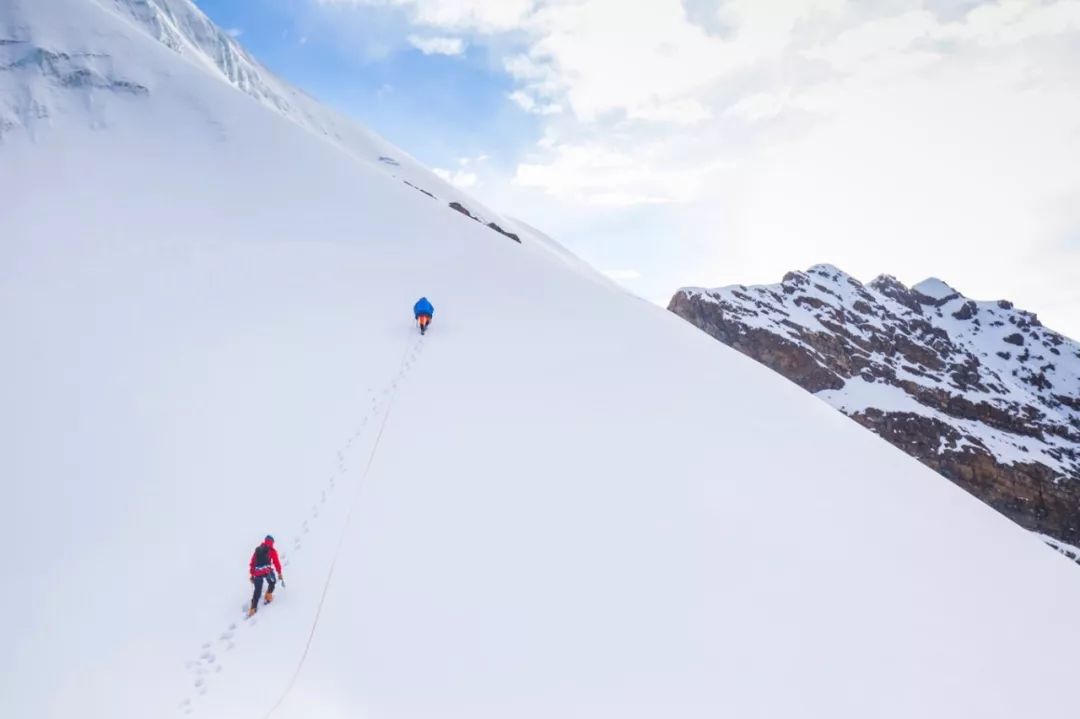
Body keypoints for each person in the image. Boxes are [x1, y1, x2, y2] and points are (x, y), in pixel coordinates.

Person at [248, 535, 283, 617]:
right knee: (272, 582)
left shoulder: (258, 549)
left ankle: (252, 609)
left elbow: (252, 563)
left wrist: (252, 575)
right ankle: (268, 596)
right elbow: (276, 562)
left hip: (257, 572)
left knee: (257, 590)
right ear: (272, 542)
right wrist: (279, 572)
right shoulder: (272, 550)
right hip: (267, 571)